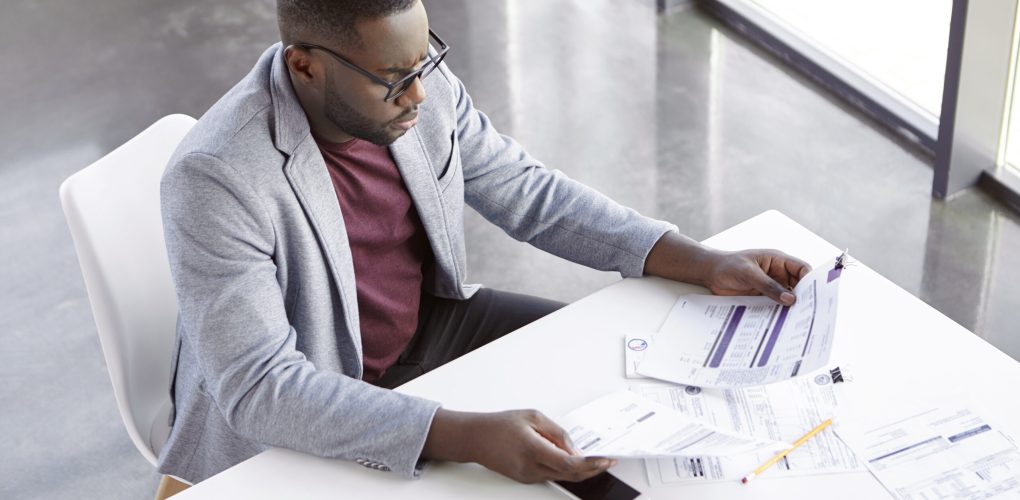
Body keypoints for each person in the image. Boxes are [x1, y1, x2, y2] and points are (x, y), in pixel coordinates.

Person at [158, 0, 810, 487]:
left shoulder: (419, 83)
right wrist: (461, 434)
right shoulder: (217, 175)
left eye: (426, 61)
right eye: (393, 78)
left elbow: (526, 191)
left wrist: (699, 259)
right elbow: (262, 389)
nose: (419, 94)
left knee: (625, 388)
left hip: (430, 325)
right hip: (314, 391)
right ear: (305, 65)